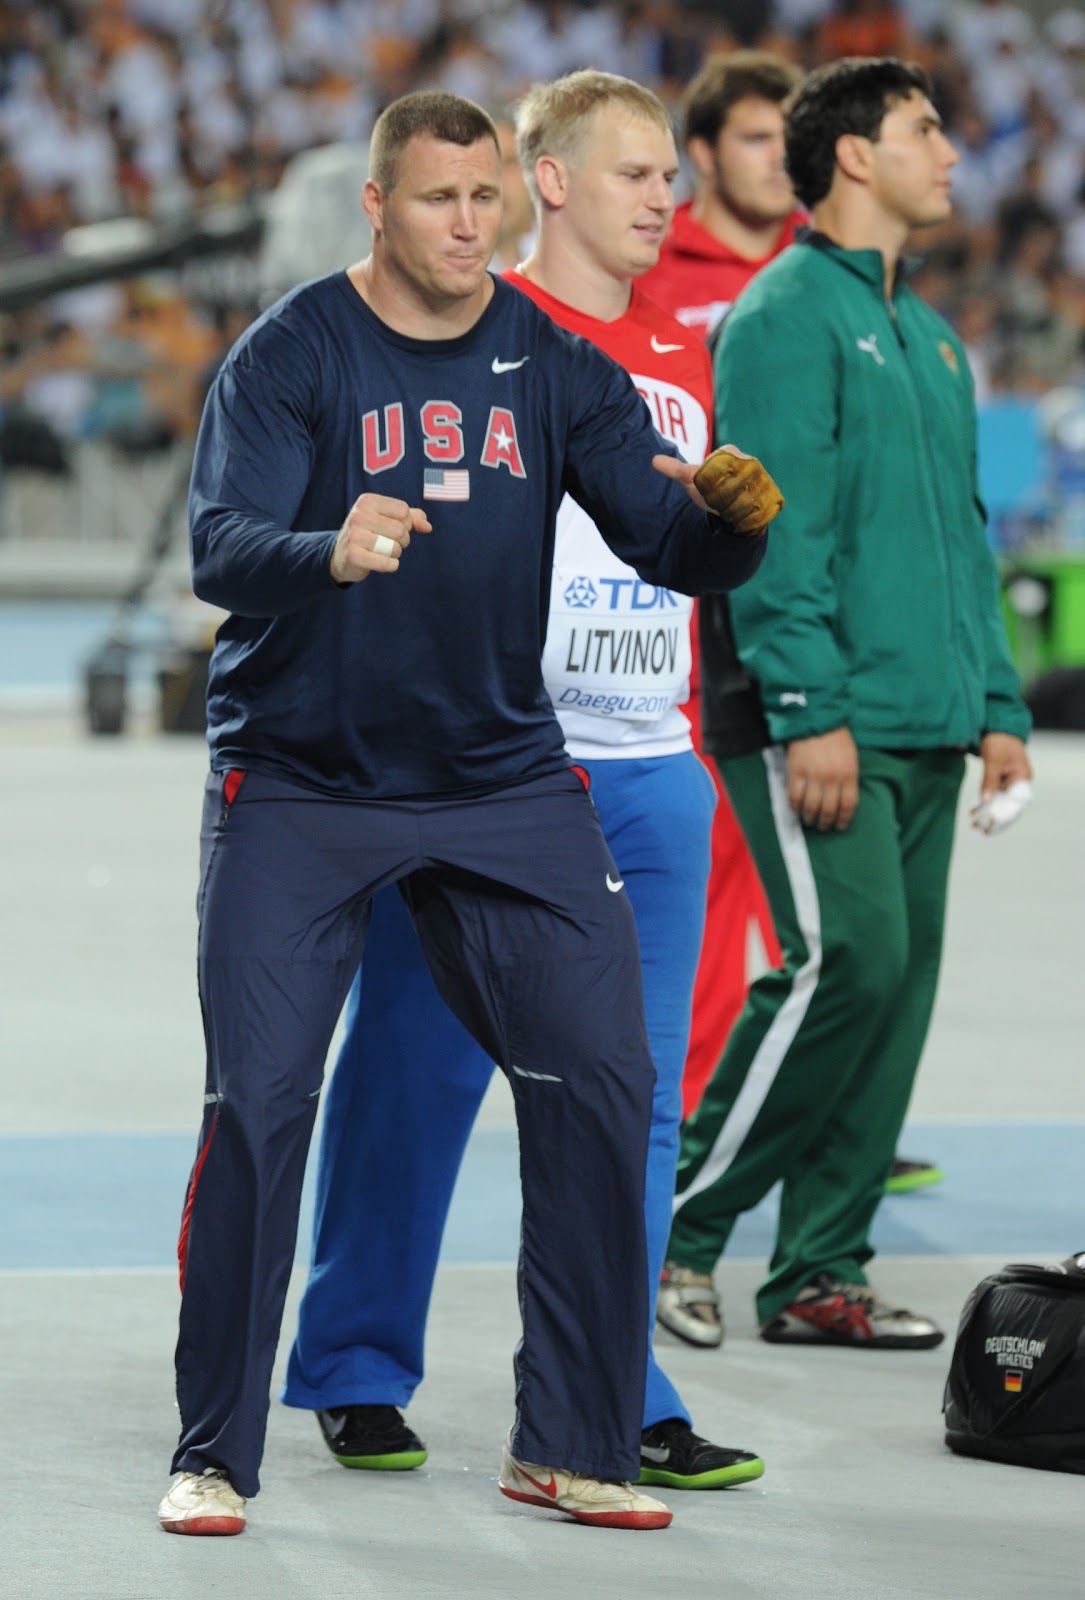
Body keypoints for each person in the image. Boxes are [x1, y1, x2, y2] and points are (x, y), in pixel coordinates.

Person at [156, 89, 771, 1537]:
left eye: (483, 199)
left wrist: (730, 525)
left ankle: (569, 1438)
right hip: (300, 781)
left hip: (499, 779)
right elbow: (219, 549)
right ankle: (210, 1452)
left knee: (607, 1084)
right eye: (436, 200)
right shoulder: (293, 352)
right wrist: (330, 546)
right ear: (376, 204)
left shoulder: (548, 359)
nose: (465, 226)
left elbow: (659, 535)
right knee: (260, 1107)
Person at [659, 57, 1032, 1353]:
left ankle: (819, 1268)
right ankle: (679, 1235)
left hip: (926, 713)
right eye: (927, 130)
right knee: (841, 963)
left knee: (897, 988)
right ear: (856, 157)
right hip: (816, 716)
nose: (950, 152)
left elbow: (962, 538)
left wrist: (995, 703)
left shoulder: (927, 337)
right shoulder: (776, 317)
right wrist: (806, 700)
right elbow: (771, 524)